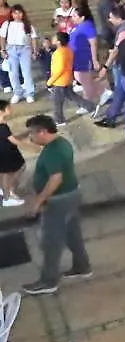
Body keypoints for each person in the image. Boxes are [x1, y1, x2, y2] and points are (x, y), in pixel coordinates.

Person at [21, 115, 92, 295]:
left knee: (51, 242)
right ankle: (82, 266)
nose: (31, 137)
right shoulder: (62, 143)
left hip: (59, 201)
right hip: (71, 195)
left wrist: (39, 200)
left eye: (32, 133)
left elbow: (55, 178)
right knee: (72, 234)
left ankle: (48, 280)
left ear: (43, 132)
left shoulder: (53, 151)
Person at [47, 32, 96, 126]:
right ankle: (90, 107)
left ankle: (59, 120)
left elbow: (59, 69)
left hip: (59, 81)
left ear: (58, 41)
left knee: (57, 102)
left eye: (54, 38)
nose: (52, 39)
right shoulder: (68, 50)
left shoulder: (59, 53)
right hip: (67, 79)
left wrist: (50, 82)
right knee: (73, 97)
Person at [0, 4, 36, 103]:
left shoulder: (27, 25)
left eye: (20, 13)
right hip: (11, 49)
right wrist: (3, 50)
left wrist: (34, 50)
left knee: (27, 73)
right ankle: (17, 92)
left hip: (25, 49)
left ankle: (29, 93)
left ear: (23, 14)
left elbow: (33, 38)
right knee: (13, 73)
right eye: (15, 13)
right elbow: (2, 37)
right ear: (11, 14)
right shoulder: (7, 24)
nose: (18, 15)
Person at [68, 4, 102, 104]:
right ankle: (103, 91)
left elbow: (93, 44)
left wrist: (95, 60)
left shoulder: (88, 27)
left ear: (82, 17)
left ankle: (88, 103)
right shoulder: (79, 26)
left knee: (84, 80)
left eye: (75, 16)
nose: (72, 18)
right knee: (81, 79)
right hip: (77, 57)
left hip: (84, 58)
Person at [0, 100, 25, 206]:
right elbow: (13, 140)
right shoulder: (2, 126)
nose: (11, 109)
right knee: (11, 171)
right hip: (7, 152)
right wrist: (32, 147)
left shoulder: (3, 124)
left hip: (6, 151)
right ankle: (7, 196)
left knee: (7, 173)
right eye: (8, 108)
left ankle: (7, 191)